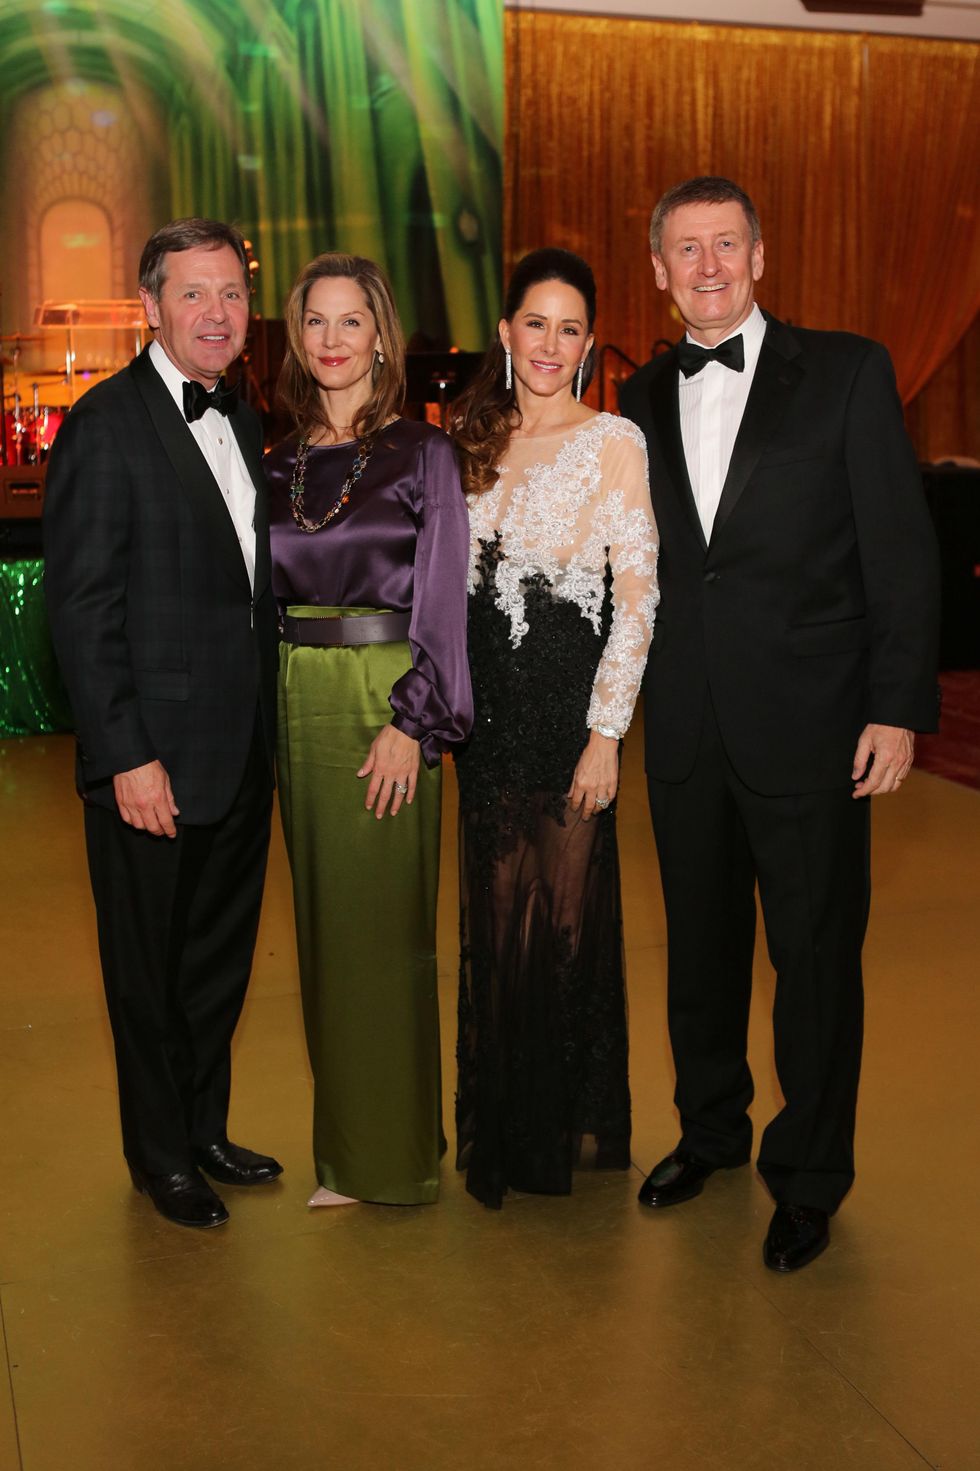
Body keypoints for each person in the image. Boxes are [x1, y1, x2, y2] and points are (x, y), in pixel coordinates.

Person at [619, 177, 940, 1271]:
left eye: (724, 245)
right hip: (684, 725)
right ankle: (708, 1130)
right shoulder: (636, 397)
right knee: (698, 955)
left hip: (810, 727)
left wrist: (894, 709)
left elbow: (899, 552)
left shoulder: (846, 372)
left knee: (811, 961)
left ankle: (807, 1175)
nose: (705, 266)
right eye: (682, 250)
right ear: (656, 272)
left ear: (759, 254)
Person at [44, 218, 282, 1230]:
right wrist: (124, 752)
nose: (216, 312)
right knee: (146, 973)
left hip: (240, 749)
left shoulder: (252, 420)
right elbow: (82, 611)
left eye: (230, 293)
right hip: (152, 761)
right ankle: (159, 1158)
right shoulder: (105, 425)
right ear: (150, 305)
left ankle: (204, 1128)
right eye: (193, 293)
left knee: (217, 963)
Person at [451, 248, 659, 1209]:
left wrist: (606, 733)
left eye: (570, 327)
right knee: (497, 920)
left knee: (566, 921)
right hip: (487, 720)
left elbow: (636, 596)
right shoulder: (466, 442)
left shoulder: (612, 438)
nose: (551, 343)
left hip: (572, 714)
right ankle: (505, 1131)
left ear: (586, 342)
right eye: (535, 323)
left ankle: (567, 1121)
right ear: (505, 332)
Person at [264, 253, 472, 1208]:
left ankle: (390, 1158)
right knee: (325, 931)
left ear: (382, 335)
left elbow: (443, 597)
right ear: (297, 338)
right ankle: (351, 1142)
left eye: (353, 322)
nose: (334, 340)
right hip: (297, 696)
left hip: (387, 699)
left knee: (385, 932)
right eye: (316, 322)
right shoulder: (279, 458)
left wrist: (413, 722)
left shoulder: (422, 451)